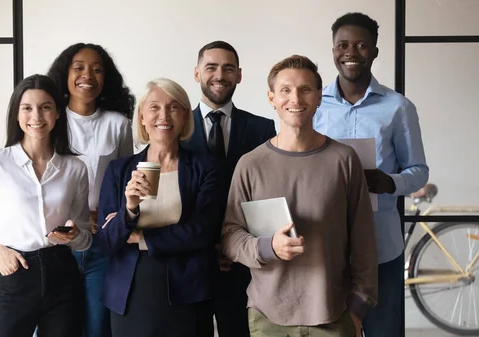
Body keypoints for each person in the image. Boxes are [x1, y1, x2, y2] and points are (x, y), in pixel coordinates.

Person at [221, 55, 378, 337]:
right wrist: (268, 247)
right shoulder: (250, 164)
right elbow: (231, 236)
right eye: (285, 90)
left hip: (334, 313)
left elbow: (364, 239)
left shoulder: (344, 160)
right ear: (271, 98)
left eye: (306, 89)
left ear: (319, 97)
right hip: (269, 316)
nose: (296, 98)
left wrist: (358, 306)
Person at [313, 13, 429, 337]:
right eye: (343, 45)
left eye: (362, 45)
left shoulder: (398, 107)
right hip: (326, 248)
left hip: (382, 249)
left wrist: (389, 182)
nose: (351, 53)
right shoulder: (313, 105)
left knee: (385, 332)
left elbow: (419, 171)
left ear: (375, 51)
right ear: (333, 50)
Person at [0, 74, 92, 336]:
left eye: (45, 107)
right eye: (27, 108)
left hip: (62, 273)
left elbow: (85, 238)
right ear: (17, 115)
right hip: (15, 271)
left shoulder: (75, 168)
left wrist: (74, 236)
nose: (36, 116)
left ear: (58, 113)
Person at [97, 78, 222, 337]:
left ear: (185, 117)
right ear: (142, 116)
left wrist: (141, 237)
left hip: (187, 291)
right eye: (154, 107)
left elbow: (201, 231)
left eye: (174, 107)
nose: (163, 115)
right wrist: (129, 209)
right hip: (130, 291)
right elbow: (107, 241)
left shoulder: (205, 167)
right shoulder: (119, 170)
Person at [182, 40, 276, 337]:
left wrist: (235, 248)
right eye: (211, 67)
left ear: (239, 75)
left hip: (243, 264)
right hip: (191, 260)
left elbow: (266, 197)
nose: (219, 75)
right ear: (197, 74)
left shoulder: (262, 129)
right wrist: (208, 248)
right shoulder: (175, 129)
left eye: (228, 68)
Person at [47, 42, 135, 337]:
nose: (88, 75)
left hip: (100, 241)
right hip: (56, 242)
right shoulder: (50, 120)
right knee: (56, 326)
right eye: (79, 67)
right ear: (66, 74)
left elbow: (125, 182)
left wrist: (110, 216)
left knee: (98, 327)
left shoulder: (118, 124)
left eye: (98, 70)